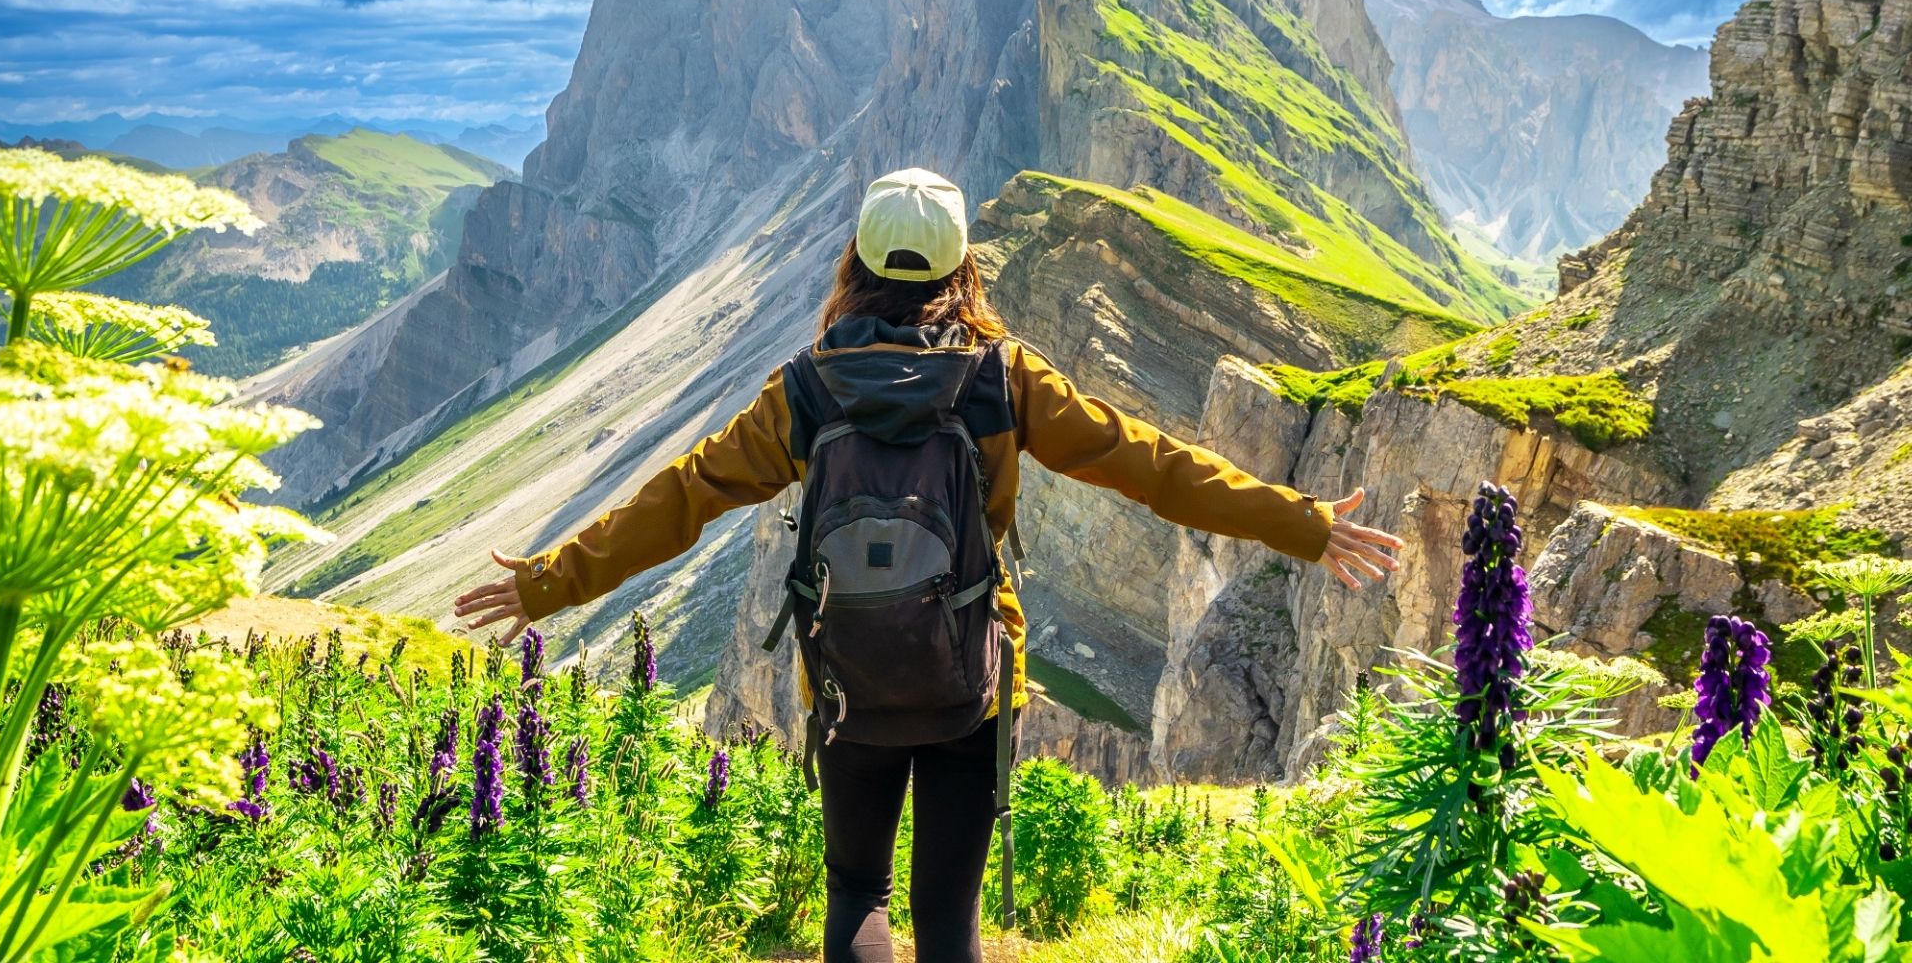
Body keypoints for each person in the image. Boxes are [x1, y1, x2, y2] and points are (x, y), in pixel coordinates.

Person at [453, 167, 1405, 962]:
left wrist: (552, 581)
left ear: (857, 263)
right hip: (973, 682)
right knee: (949, 914)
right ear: (963, 266)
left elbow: (683, 497)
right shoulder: (1002, 377)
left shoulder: (805, 388)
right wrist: (1305, 524)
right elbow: (1152, 467)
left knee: (856, 890)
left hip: (849, 682)